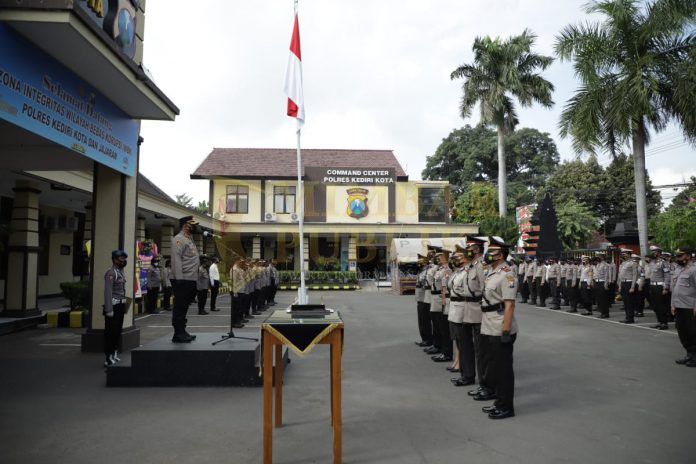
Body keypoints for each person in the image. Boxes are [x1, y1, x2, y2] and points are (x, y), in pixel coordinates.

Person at [476, 240, 517, 420]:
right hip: (489, 323)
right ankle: (498, 401)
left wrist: (506, 332)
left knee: (504, 370)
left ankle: (506, 407)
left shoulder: (507, 274)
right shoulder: (493, 272)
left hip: (500, 326)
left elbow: (509, 306)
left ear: (501, 255)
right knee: (494, 365)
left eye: (492, 251)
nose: (488, 254)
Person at [170, 216, 200, 343]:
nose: (193, 227)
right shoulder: (179, 239)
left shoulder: (189, 239)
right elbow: (176, 259)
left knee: (184, 307)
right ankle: (178, 334)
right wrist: (179, 278)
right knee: (180, 308)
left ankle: (182, 331)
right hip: (183, 279)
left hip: (191, 278)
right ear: (184, 225)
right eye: (191, 225)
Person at [670, 247, 696, 367]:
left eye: (681, 256)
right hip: (679, 306)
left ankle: (695, 357)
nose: (678, 258)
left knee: (692, 332)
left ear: (688, 256)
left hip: (690, 307)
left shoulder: (694, 269)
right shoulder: (678, 270)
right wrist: (673, 304)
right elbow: (674, 289)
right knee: (682, 332)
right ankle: (689, 354)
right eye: (677, 256)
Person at [103, 250, 128, 367]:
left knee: (117, 331)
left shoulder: (120, 272)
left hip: (120, 305)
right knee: (110, 332)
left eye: (123, 258)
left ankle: (114, 353)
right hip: (113, 306)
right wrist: (109, 309)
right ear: (114, 259)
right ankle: (108, 357)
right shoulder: (111, 272)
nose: (123, 261)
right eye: (120, 259)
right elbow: (108, 292)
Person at [431, 250, 453, 363]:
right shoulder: (440, 269)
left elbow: (445, 287)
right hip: (439, 300)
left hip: (443, 301)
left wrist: (444, 301)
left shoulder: (447, 269)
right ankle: (443, 350)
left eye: (440, 257)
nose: (438, 259)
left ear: (446, 257)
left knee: (444, 329)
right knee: (439, 327)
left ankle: (447, 352)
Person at [648, 246, 671, 330]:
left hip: (660, 286)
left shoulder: (663, 263)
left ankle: (664, 323)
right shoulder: (652, 262)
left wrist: (665, 288)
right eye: (652, 252)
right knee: (655, 306)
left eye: (654, 252)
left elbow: (667, 275)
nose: (652, 253)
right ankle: (659, 322)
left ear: (659, 253)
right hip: (653, 286)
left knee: (661, 306)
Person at [415, 253, 433, 347]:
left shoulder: (427, 271)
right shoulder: (421, 271)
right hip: (419, 299)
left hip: (424, 299)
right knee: (421, 320)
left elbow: (426, 283)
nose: (419, 264)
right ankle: (424, 338)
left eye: (421, 262)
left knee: (425, 321)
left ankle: (428, 339)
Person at [617, 249, 639, 324]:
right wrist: (620, 285)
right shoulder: (623, 263)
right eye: (623, 254)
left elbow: (635, 275)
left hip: (629, 283)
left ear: (629, 254)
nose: (624, 255)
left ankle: (630, 318)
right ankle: (627, 317)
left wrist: (632, 287)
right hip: (623, 283)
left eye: (625, 254)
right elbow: (620, 276)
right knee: (625, 302)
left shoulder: (633, 263)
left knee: (630, 302)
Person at [592, 252, 611, 318]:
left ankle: (605, 313)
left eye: (598, 256)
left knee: (603, 299)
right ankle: (602, 312)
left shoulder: (605, 265)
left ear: (602, 257)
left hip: (602, 282)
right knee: (599, 299)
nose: (597, 257)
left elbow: (606, 276)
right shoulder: (597, 264)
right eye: (597, 256)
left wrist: (606, 284)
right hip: (597, 282)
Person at [230, 258, 246, 329]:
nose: (241, 263)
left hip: (240, 291)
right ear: (236, 261)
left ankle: (238, 321)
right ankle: (234, 323)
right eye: (240, 261)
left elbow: (244, 277)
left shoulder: (239, 269)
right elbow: (233, 281)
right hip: (236, 291)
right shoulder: (234, 269)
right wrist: (235, 292)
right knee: (235, 308)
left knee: (239, 307)